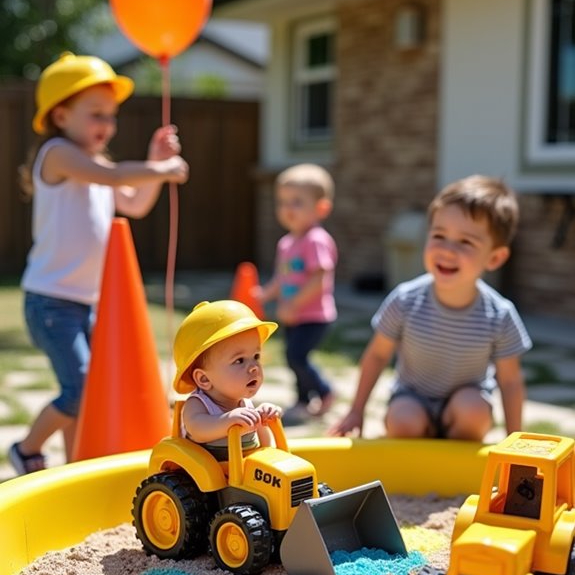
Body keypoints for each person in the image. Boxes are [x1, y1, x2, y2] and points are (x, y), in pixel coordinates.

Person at [9, 52, 189, 475]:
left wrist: (154, 164)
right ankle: (26, 447)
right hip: (51, 301)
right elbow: (114, 179)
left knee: (86, 391)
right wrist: (159, 165)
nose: (106, 124)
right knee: (81, 387)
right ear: (60, 114)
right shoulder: (57, 154)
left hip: (88, 301)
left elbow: (134, 203)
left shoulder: (100, 165)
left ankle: (75, 465)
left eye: (110, 115)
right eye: (95, 114)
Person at [330, 175, 532, 441]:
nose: (447, 250)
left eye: (465, 242)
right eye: (439, 235)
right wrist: (356, 411)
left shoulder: (499, 315)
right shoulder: (405, 300)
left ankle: (454, 453)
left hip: (467, 402)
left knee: (473, 412)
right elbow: (377, 356)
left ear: (494, 258)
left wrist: (515, 438)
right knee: (403, 420)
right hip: (412, 397)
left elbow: (509, 380)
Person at [256, 163, 338, 426]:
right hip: (294, 315)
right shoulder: (287, 242)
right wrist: (266, 294)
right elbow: (283, 277)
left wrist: (293, 303)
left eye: (297, 202)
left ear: (321, 208)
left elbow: (319, 278)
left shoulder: (316, 240)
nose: (288, 209)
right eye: (283, 202)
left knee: (296, 355)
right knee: (293, 357)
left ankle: (324, 392)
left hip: (314, 315)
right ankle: (304, 399)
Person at [172, 299, 282, 458]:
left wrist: (263, 416)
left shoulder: (244, 404)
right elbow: (198, 430)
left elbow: (265, 443)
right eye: (239, 360)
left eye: (256, 356)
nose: (254, 367)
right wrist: (227, 420)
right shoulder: (198, 404)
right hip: (208, 469)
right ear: (204, 379)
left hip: (242, 468)